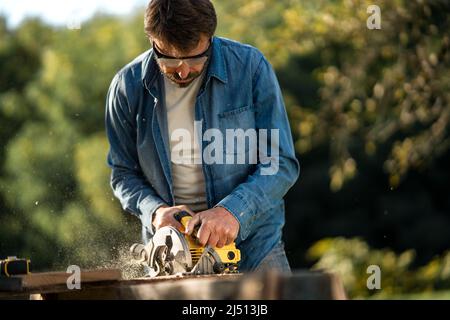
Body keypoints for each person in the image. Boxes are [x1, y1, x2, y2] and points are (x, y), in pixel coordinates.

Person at [105, 0, 299, 272]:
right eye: (168, 59)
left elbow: (279, 163)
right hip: (171, 259)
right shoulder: (126, 87)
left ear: (210, 37)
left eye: (195, 58)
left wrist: (233, 212)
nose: (183, 71)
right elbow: (123, 173)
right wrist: (155, 212)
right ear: (152, 38)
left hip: (255, 252)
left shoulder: (250, 67)